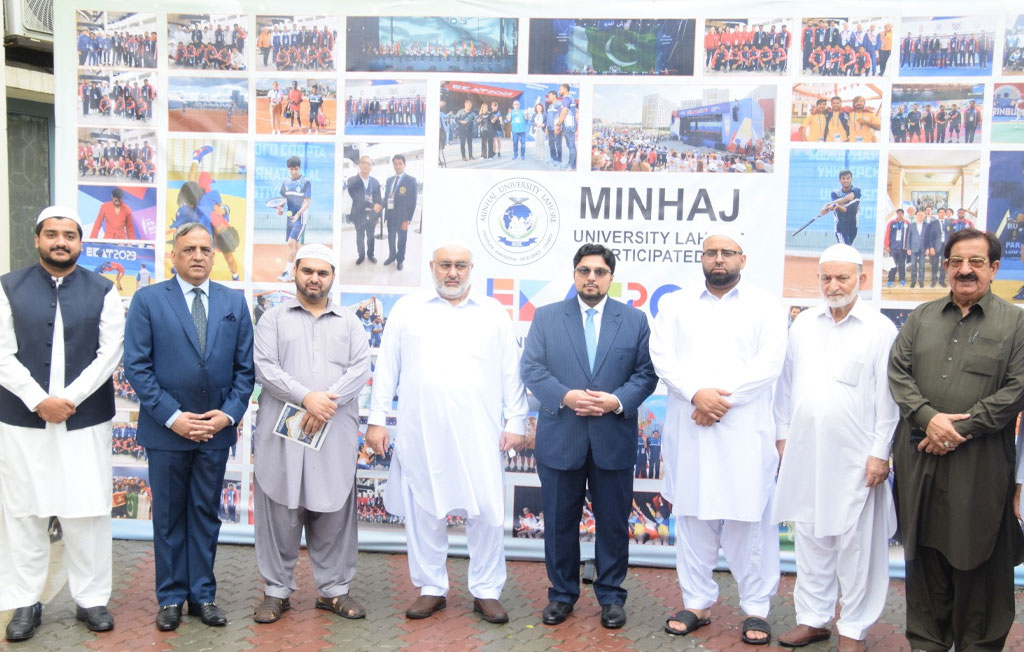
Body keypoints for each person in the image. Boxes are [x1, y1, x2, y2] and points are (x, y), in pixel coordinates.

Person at [364, 244, 528, 625]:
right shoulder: (408, 309)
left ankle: (486, 590)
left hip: (481, 430)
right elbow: (387, 367)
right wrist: (376, 420)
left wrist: (516, 420)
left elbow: (510, 371)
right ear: (431, 266)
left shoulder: (493, 313)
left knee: (486, 511)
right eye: (445, 265)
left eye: (459, 265)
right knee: (424, 508)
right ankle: (431, 588)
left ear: (472, 268)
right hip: (421, 429)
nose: (452, 272)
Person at [888, 228, 1024, 651]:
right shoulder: (922, 317)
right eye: (957, 262)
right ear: (945, 267)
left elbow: (1016, 389)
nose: (965, 270)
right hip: (920, 457)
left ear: (994, 268)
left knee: (978, 553)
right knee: (923, 552)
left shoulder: (1017, 322)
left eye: (977, 262)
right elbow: (898, 373)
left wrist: (956, 430)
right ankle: (927, 640)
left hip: (980, 462)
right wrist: (929, 420)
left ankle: (977, 644)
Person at [650, 228, 786, 646]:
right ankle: (697, 603)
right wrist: (696, 394)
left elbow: (769, 364)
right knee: (692, 519)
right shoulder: (675, 304)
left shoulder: (768, 306)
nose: (719, 259)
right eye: (711, 252)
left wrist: (719, 401)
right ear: (702, 259)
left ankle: (756, 609)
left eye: (728, 252)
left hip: (744, 430)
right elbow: (662, 357)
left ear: (743, 259)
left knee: (751, 522)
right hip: (691, 427)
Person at [0, 206, 124, 642]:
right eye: (51, 234)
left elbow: (110, 353)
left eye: (69, 235)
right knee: (23, 511)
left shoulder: (103, 289)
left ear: (80, 242)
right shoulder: (7, 286)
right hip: (22, 417)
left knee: (86, 510)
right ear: (37, 240)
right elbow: (1, 352)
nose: (60, 241)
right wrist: (39, 400)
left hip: (84, 417)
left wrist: (67, 400)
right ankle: (24, 600)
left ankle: (91, 599)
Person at [124, 222, 255, 632]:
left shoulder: (233, 301)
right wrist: (174, 418)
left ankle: (202, 594)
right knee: (167, 517)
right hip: (166, 432)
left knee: (204, 513)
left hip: (215, 431)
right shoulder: (148, 300)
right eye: (189, 249)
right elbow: (137, 368)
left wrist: (227, 414)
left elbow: (245, 371)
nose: (197, 255)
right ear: (173, 255)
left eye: (204, 249)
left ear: (213, 255)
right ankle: (171, 597)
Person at [520, 244, 658, 630]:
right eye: (584, 271)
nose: (591, 278)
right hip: (562, 437)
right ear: (574, 274)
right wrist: (566, 396)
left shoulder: (634, 320)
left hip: (612, 437)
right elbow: (531, 368)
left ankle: (611, 597)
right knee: (560, 523)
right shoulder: (547, 318)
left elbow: (646, 374)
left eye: (599, 271)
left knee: (613, 524)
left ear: (611, 277)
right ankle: (562, 595)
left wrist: (615, 400)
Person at [773, 244, 898, 652]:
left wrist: (881, 451)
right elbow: (786, 386)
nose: (833, 285)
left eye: (842, 277)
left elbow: (888, 398)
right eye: (826, 277)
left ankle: (854, 629)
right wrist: (782, 434)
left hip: (856, 460)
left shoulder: (880, 329)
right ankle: (812, 620)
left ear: (860, 279)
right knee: (810, 540)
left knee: (855, 548)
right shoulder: (804, 324)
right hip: (806, 455)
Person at [251, 244, 371, 624]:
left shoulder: (350, 321)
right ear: (295, 273)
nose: (314, 279)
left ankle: (334, 590)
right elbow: (265, 367)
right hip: (284, 429)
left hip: (332, 430)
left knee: (333, 508)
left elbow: (359, 368)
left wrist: (324, 404)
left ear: (333, 277)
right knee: (280, 507)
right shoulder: (273, 318)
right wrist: (307, 398)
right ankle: (276, 591)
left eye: (322, 272)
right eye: (308, 271)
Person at [276, 156, 311, 282]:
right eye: (291, 169)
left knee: (291, 243)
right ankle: (296, 272)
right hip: (290, 217)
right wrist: (280, 209)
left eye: (295, 169)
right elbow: (284, 199)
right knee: (295, 246)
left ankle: (287, 272)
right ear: (288, 169)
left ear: (299, 168)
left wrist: (298, 214)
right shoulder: (285, 182)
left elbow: (307, 202)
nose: (293, 172)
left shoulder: (305, 182)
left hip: (300, 217)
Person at [382, 154, 416, 271]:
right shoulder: (389, 180)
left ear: (404, 165)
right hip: (390, 216)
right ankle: (392, 256)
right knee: (391, 238)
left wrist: (407, 219)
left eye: (400, 164)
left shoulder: (410, 180)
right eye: (395, 164)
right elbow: (386, 198)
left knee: (402, 240)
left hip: (402, 218)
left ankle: (400, 260)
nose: (397, 166)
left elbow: (413, 202)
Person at [346, 155, 382, 265]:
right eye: (364, 163)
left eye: (369, 164)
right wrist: (372, 205)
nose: (366, 165)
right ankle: (361, 255)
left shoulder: (375, 182)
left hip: (372, 215)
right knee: (360, 236)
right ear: (359, 164)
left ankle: (370, 255)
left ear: (371, 167)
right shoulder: (352, 180)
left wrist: (379, 215)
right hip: (359, 214)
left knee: (371, 236)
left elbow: (379, 200)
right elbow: (357, 198)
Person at [818, 170, 860, 246]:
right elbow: (841, 208)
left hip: (853, 227)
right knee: (846, 250)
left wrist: (827, 204)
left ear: (852, 179)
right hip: (841, 227)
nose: (846, 181)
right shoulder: (835, 193)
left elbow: (847, 199)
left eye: (848, 178)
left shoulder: (856, 190)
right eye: (843, 178)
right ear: (839, 180)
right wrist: (835, 206)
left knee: (847, 250)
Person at [883, 208, 910, 287]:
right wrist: (887, 246)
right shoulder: (891, 223)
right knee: (892, 264)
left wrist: (908, 247)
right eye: (898, 213)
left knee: (902, 265)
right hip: (893, 248)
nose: (900, 215)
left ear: (903, 214)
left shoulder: (907, 223)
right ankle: (891, 279)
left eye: (901, 213)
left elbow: (909, 236)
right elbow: (887, 234)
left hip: (902, 248)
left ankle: (902, 279)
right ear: (896, 214)